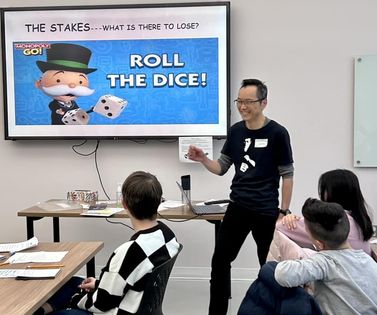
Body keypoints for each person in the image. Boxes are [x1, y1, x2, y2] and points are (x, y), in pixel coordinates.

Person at [188, 78, 294, 315]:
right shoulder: (235, 131)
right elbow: (222, 167)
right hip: (237, 208)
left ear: (263, 102)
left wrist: (283, 211)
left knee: (269, 267)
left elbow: (287, 175)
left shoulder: (278, 133)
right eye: (239, 101)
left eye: (248, 101)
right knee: (220, 262)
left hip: (267, 211)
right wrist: (204, 159)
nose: (242, 106)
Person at [35, 171, 180, 315]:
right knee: (73, 283)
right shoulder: (167, 234)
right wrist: (99, 285)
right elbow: (130, 277)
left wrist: (75, 300)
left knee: (68, 297)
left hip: (117, 310)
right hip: (135, 303)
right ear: (159, 201)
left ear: (124, 204)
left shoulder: (130, 251)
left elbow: (101, 304)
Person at [274, 198, 377, 314]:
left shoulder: (324, 262)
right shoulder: (369, 260)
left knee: (269, 270)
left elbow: (282, 274)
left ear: (319, 244)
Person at [276, 169, 373, 256]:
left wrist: (288, 219)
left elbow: (279, 227)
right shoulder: (361, 220)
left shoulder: (331, 221)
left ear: (332, 192)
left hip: (337, 273)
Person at [35, 43, 97, 124]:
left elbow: (78, 113)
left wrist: (91, 110)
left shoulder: (73, 103)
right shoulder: (54, 104)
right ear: (39, 84)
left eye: (80, 82)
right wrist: (60, 112)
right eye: (58, 80)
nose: (72, 85)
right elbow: (55, 109)